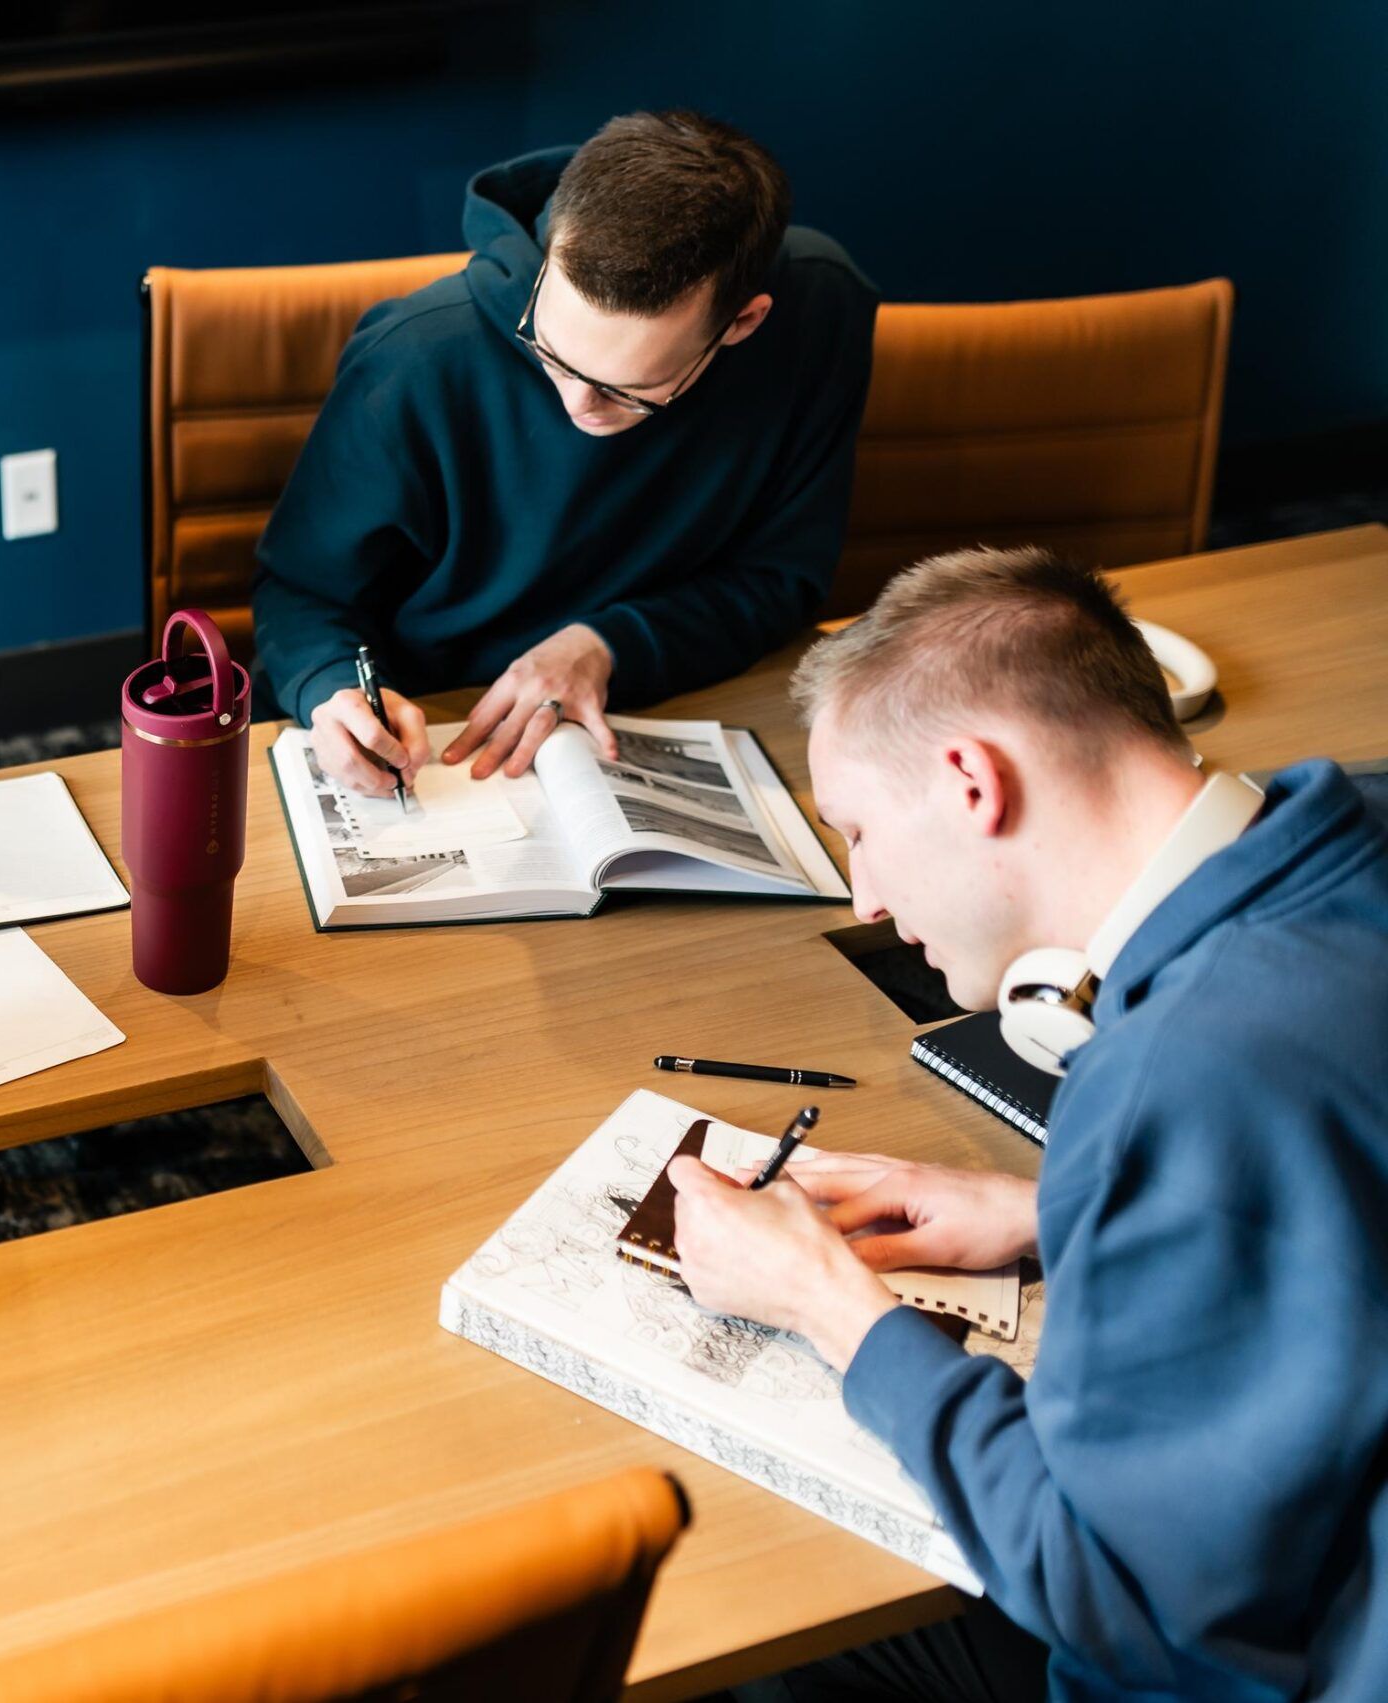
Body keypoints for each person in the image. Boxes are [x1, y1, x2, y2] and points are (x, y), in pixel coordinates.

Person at [670, 547, 1388, 1701]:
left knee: (739, 1632)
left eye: (857, 830)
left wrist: (830, 1305)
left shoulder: (1177, 1080)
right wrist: (1059, 1209)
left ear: (969, 779)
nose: (864, 898)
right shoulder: (1355, 815)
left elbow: (1126, 1611)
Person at [253, 109, 876, 797]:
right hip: (438, 732)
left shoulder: (822, 310)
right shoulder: (417, 357)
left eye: (626, 390)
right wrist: (332, 684)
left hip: (671, 709)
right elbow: (301, 589)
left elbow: (782, 575)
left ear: (744, 322)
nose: (577, 405)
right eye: (548, 351)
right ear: (551, 255)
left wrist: (607, 644)